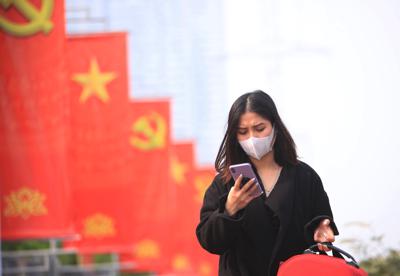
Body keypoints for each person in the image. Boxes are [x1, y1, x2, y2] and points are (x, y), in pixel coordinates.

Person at [196, 90, 339, 276]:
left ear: (275, 126)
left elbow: (321, 223)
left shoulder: (305, 177)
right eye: (242, 132)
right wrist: (229, 210)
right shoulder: (225, 183)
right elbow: (209, 241)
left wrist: (322, 229)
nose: (252, 138)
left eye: (259, 128)